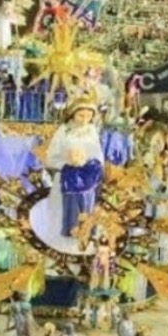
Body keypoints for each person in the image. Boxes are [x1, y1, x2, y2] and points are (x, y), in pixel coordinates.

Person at [46, 94, 105, 236]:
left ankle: (85, 232)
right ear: (73, 114)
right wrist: (68, 162)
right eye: (81, 116)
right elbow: (51, 158)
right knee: (63, 214)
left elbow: (98, 156)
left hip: (88, 178)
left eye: (88, 116)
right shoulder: (63, 131)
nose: (84, 120)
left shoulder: (92, 131)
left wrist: (89, 164)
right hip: (67, 177)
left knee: (86, 210)